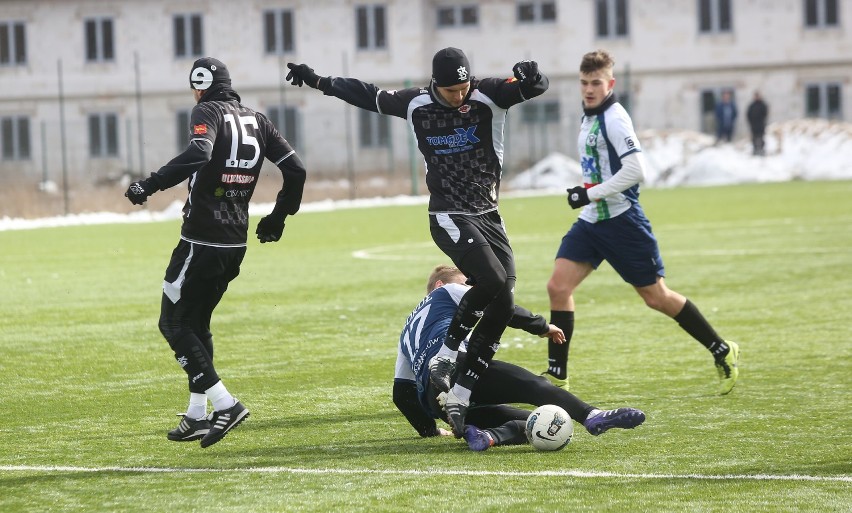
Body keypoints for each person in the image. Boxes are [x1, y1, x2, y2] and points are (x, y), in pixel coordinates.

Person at [285, 48, 550, 437]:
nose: (458, 96)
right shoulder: (417, 104)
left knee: (504, 300)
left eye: (463, 88)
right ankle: (445, 357)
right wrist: (320, 81)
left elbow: (536, 87)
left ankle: (460, 391)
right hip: (448, 213)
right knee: (491, 281)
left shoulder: (488, 95)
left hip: (489, 213)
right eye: (450, 90)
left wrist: (531, 75)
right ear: (434, 85)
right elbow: (367, 94)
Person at [124, 57, 307, 447]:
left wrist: (150, 184)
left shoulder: (206, 110)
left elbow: (199, 154)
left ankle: (225, 404)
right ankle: (196, 413)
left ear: (200, 84)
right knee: (196, 323)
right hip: (234, 243)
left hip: (201, 238)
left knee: (172, 324)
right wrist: (278, 217)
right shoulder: (258, 119)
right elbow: (296, 171)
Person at [548, 50, 739, 396]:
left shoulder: (615, 118)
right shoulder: (589, 115)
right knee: (558, 288)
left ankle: (721, 349)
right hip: (592, 222)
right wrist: (590, 196)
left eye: (596, 83)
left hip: (622, 222)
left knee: (656, 297)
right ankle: (557, 374)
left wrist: (589, 194)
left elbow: (637, 170)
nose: (589, 89)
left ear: (611, 83)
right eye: (584, 83)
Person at [393, 265, 646, 451]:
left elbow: (401, 394)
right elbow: (500, 306)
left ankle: (487, 436)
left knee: (546, 422)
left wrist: (430, 430)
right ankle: (592, 416)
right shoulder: (447, 291)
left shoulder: (406, 331)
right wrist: (540, 326)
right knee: (535, 385)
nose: (471, 289)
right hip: (454, 370)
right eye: (467, 284)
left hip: (436, 400)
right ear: (441, 284)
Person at [746, 91, 769, 156]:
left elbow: (765, 114)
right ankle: (755, 149)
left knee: (761, 137)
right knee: (754, 137)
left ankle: (762, 149)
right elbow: (748, 115)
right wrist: (751, 122)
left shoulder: (763, 105)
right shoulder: (752, 106)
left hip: (761, 124)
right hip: (754, 125)